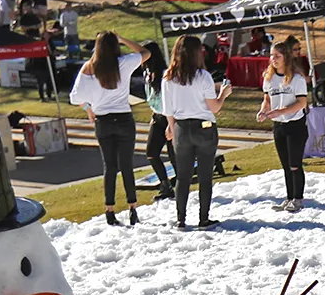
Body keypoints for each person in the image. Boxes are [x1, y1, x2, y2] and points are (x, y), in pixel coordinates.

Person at [69, 31, 151, 226]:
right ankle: (132, 207)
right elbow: (146, 53)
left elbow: (74, 98)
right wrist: (123, 39)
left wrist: (89, 109)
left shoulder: (88, 69)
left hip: (103, 121)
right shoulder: (123, 63)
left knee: (110, 167)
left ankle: (110, 209)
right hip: (123, 118)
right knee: (126, 165)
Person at [161, 35, 234, 229]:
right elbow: (214, 107)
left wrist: (171, 126)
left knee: (183, 176)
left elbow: (168, 109)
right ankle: (203, 217)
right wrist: (223, 94)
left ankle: (181, 219)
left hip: (181, 127)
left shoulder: (168, 77)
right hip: (204, 127)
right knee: (204, 176)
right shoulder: (203, 76)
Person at [257, 42, 310, 212]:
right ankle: (289, 198)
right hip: (279, 125)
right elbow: (267, 98)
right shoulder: (269, 78)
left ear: (286, 57)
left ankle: (298, 198)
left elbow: (302, 102)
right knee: (286, 164)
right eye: (271, 56)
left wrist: (282, 111)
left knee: (295, 164)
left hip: (295, 124)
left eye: (277, 56)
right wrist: (263, 111)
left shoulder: (297, 79)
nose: (273, 59)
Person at [139, 43, 175, 199]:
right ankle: (165, 185)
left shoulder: (164, 73)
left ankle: (181, 185)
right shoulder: (147, 73)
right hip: (157, 116)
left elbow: (169, 98)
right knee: (152, 152)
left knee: (174, 155)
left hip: (170, 116)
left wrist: (170, 123)